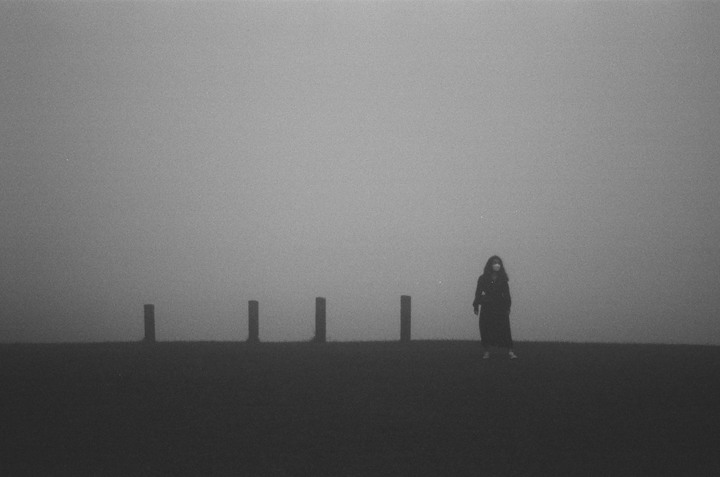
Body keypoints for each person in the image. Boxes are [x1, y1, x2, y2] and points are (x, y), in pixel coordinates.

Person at [473, 255, 517, 360]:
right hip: (487, 306)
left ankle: (510, 351)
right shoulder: (483, 278)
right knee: (486, 328)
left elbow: (506, 293)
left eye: (498, 263)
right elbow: (478, 292)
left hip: (500, 306)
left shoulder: (503, 279)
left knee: (504, 328)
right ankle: (486, 352)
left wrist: (508, 306)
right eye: (494, 262)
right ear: (490, 265)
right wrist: (476, 305)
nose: (497, 265)